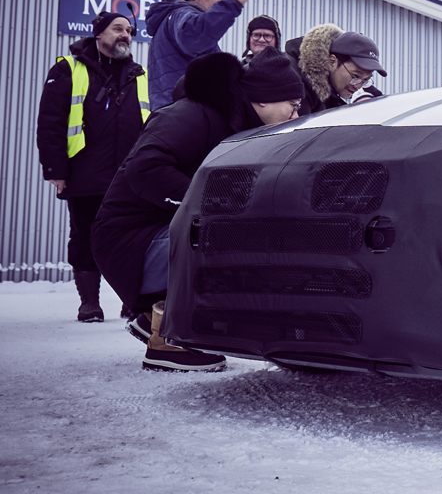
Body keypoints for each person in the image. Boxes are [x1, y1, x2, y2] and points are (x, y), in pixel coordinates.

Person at [92, 47, 304, 371]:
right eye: (293, 105)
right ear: (264, 100)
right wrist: (207, 207)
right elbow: (144, 169)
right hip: (129, 243)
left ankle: (156, 317)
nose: (296, 115)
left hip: (153, 238)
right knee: (236, 238)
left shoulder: (237, 127)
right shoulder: (191, 114)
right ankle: (167, 343)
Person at [36, 12, 149, 323]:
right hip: (85, 173)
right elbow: (50, 123)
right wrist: (55, 171)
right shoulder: (68, 69)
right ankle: (89, 303)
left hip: (129, 176)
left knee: (133, 239)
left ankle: (133, 301)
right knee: (85, 236)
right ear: (99, 34)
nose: (125, 35)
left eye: (128, 30)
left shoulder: (139, 74)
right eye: (117, 29)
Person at [144, 0, 265, 110]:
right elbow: (194, 38)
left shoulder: (170, 21)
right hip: (185, 113)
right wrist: (234, 3)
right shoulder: (180, 13)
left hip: (176, 112)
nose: (221, 1)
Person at [284, 25, 386, 115]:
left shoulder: (329, 90)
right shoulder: (295, 81)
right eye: (355, 76)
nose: (358, 86)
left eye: (365, 80)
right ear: (332, 61)